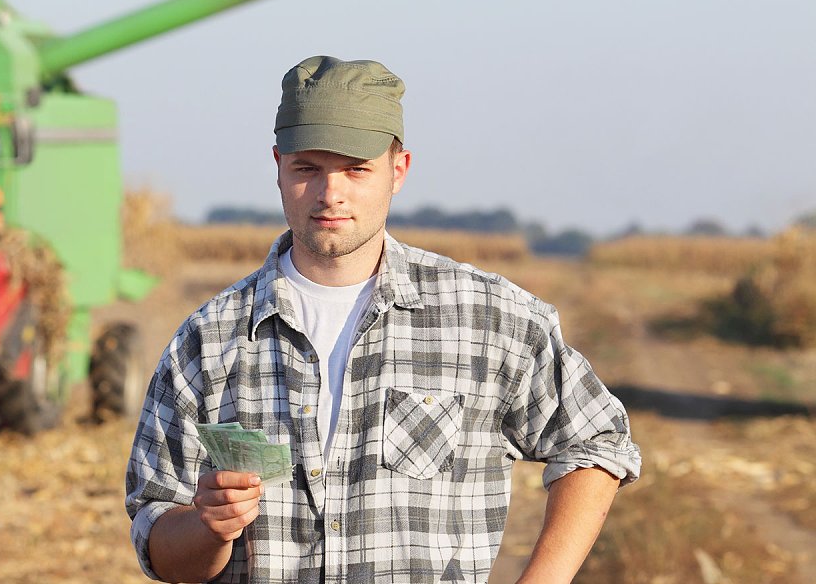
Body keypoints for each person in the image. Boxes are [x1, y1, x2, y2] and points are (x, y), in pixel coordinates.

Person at [125, 56, 642, 583]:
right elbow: (159, 538)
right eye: (308, 168)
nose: (331, 194)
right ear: (277, 165)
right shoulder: (208, 341)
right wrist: (210, 527)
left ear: (399, 169)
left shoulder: (488, 318)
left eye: (356, 168)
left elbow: (595, 441)